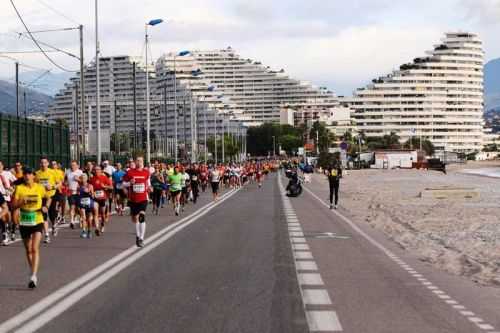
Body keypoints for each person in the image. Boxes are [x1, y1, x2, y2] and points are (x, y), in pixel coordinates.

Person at [12, 167, 50, 288]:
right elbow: (13, 205)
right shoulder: (19, 188)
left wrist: (46, 207)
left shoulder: (39, 187)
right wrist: (21, 202)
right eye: (25, 174)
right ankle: (33, 270)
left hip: (37, 218)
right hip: (25, 220)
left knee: (34, 248)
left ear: (33, 176)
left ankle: (33, 275)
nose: (27, 176)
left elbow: (48, 197)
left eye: (29, 174)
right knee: (28, 250)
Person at [123, 156, 151, 247]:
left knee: (142, 216)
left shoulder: (146, 172)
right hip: (133, 199)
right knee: (135, 219)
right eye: (137, 160)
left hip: (143, 198)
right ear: (135, 162)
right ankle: (138, 236)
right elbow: (123, 183)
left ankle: (141, 238)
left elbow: (148, 183)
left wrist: (150, 188)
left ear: (143, 162)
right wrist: (129, 183)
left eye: (141, 161)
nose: (139, 162)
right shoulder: (130, 172)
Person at [35, 157, 58, 243]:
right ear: (40, 164)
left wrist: (52, 187)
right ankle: (47, 235)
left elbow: (59, 183)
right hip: (42, 197)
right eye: (42, 163)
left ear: (48, 164)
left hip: (51, 195)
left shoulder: (52, 172)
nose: (43, 164)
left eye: (45, 162)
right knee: (44, 215)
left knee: (52, 215)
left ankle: (54, 224)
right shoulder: (37, 174)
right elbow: (35, 184)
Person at [89, 165, 112, 235]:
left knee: (102, 214)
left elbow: (111, 187)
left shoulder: (104, 178)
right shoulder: (92, 179)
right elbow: (89, 187)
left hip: (103, 198)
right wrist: (91, 192)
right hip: (95, 198)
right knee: (95, 212)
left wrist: (105, 186)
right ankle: (97, 228)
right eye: (95, 170)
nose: (96, 171)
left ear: (101, 170)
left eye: (98, 169)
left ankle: (102, 224)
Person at [78, 173, 98, 238]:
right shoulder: (79, 186)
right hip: (82, 203)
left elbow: (93, 196)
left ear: (87, 179)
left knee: (89, 218)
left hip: (89, 203)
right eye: (82, 178)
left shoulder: (90, 186)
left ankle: (89, 231)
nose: (83, 179)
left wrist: (89, 192)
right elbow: (78, 195)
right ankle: (84, 231)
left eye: (84, 178)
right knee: (83, 217)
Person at [65, 161, 83, 229]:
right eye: (71, 165)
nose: (73, 166)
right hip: (70, 192)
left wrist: (78, 179)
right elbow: (65, 180)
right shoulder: (68, 171)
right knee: (72, 207)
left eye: (74, 165)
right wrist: (66, 184)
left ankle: (81, 219)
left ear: (77, 165)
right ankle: (72, 221)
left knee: (79, 208)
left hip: (78, 192)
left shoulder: (80, 172)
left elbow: (83, 181)